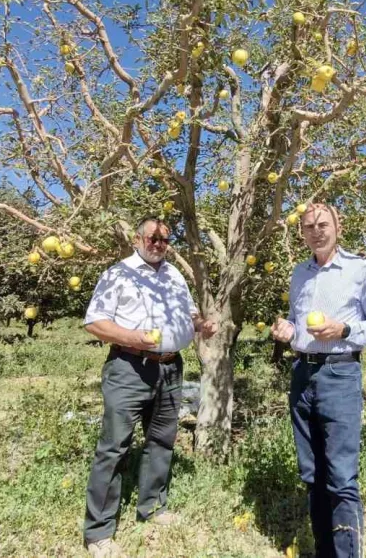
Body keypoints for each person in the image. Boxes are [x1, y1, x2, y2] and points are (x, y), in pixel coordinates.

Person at [82, 216, 218, 558]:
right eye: (152, 238)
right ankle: (98, 531)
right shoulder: (118, 274)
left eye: (164, 240)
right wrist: (133, 337)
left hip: (171, 368)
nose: (158, 244)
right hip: (130, 367)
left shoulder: (173, 275)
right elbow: (94, 321)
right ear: (137, 238)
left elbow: (188, 314)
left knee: (161, 440)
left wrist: (203, 325)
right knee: (114, 446)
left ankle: (153, 507)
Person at [271, 203, 366, 558]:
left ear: (338, 226)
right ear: (302, 233)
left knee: (341, 478)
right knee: (311, 474)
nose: (316, 231)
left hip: (340, 373)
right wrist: (286, 330)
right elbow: (298, 326)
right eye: (309, 226)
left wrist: (345, 328)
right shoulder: (300, 274)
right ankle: (325, 551)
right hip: (302, 374)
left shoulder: (359, 269)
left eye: (323, 224)